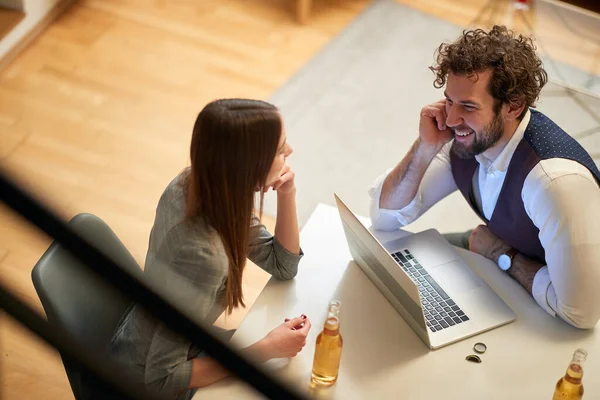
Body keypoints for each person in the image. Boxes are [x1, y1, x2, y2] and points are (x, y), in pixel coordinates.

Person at [369, 25, 600, 329]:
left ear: (513, 106)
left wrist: (502, 254)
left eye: (468, 106)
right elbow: (385, 218)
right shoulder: (463, 137)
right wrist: (425, 147)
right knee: (392, 271)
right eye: (449, 100)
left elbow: (580, 312)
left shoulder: (553, 183)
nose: (451, 120)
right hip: (497, 250)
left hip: (556, 287)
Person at [110, 99, 311, 400]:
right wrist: (267, 349)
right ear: (250, 165)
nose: (289, 152)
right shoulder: (203, 256)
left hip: (162, 343)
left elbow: (283, 264)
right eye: (280, 150)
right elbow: (161, 378)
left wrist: (288, 193)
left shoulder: (199, 184)